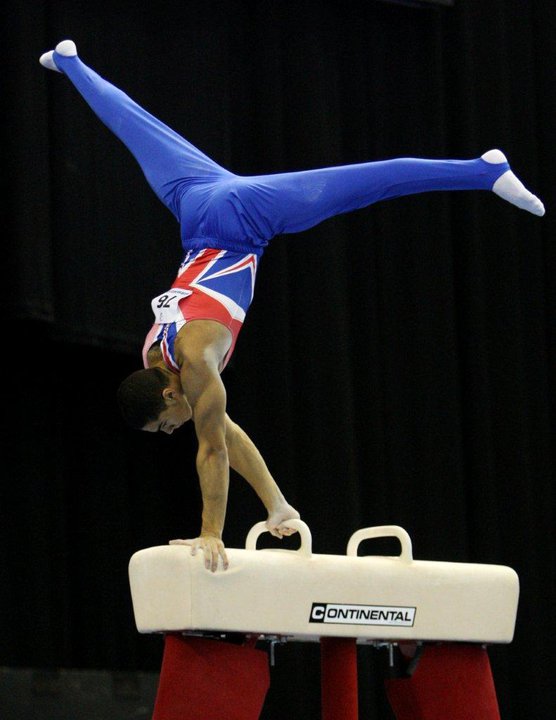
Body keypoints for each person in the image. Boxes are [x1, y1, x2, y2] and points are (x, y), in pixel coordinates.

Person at [40, 40, 545, 572]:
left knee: (368, 183)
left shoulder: (197, 365)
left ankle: (484, 171)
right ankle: (70, 62)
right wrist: (276, 504)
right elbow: (224, 429)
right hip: (196, 209)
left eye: (166, 425)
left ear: (170, 393)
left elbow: (214, 449)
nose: (174, 430)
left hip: (242, 220)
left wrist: (211, 533)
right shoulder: (155, 358)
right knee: (137, 129)